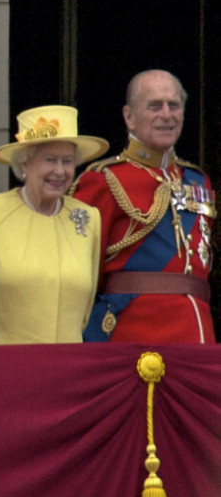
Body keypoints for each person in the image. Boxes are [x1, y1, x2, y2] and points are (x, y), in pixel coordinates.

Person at [70, 70, 215, 343]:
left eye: (174, 105)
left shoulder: (198, 181)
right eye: (154, 105)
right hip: (132, 334)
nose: (167, 114)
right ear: (129, 116)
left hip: (198, 332)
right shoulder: (103, 180)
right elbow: (78, 274)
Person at [0, 105, 105, 344]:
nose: (60, 171)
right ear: (24, 164)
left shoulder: (88, 218)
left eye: (67, 161)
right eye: (50, 160)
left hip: (67, 369)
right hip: (2, 368)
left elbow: (85, 308)